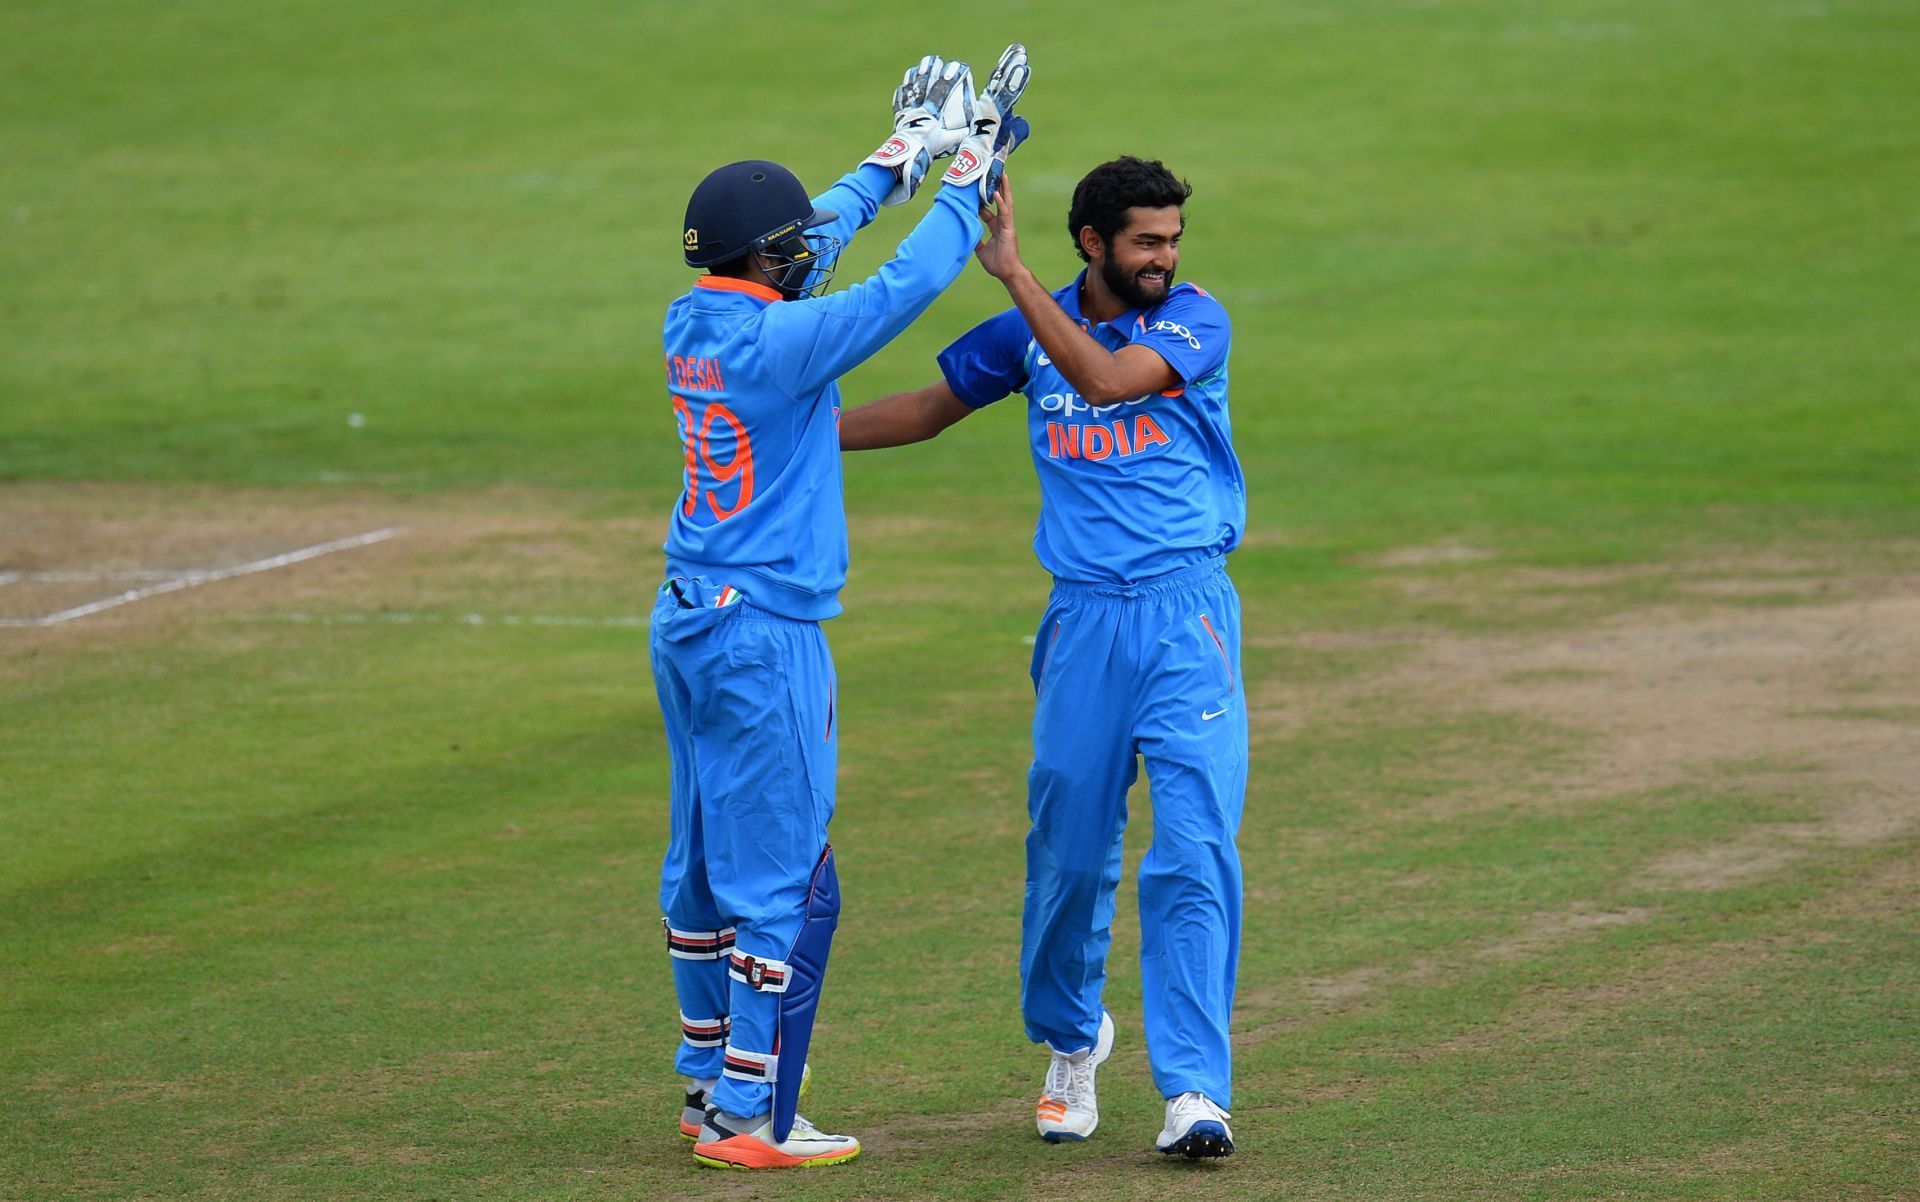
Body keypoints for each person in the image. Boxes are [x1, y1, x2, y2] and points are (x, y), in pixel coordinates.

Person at [650, 49, 1030, 1171]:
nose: (804, 253)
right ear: (764, 265)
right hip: (764, 631)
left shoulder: (695, 313)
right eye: (790, 251)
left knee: (703, 864)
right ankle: (749, 1112)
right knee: (781, 874)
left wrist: (892, 157)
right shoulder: (786, 343)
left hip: (687, 612)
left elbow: (807, 231)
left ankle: (706, 1079)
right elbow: (905, 286)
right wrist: (968, 169)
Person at [839, 157, 1244, 1159]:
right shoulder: (1034, 334)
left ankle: (1195, 1087)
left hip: (1186, 616)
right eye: (1147, 241)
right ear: (1095, 243)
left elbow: (1106, 379)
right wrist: (789, 433)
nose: (1167, 257)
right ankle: (1073, 1037)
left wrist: (1013, 275)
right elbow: (929, 408)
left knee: (1194, 848)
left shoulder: (1195, 322)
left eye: (1173, 239)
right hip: (1083, 626)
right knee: (1066, 856)